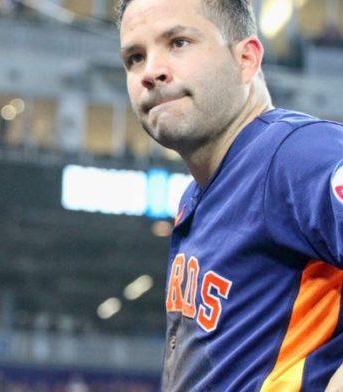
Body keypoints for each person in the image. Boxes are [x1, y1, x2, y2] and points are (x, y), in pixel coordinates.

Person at [117, 0, 343, 391]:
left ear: (246, 59)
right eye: (135, 57)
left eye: (179, 42)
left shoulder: (296, 155)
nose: (151, 71)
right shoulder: (199, 192)